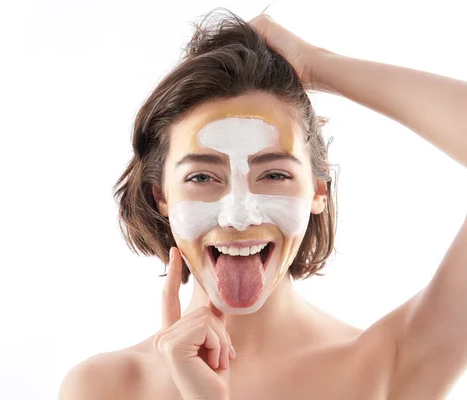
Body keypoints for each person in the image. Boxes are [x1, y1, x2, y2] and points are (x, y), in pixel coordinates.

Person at [60, 9, 467, 400]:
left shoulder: (385, 366)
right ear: (160, 197)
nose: (239, 215)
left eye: (274, 175)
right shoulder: (102, 387)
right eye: (202, 177)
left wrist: (317, 65)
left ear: (317, 191)